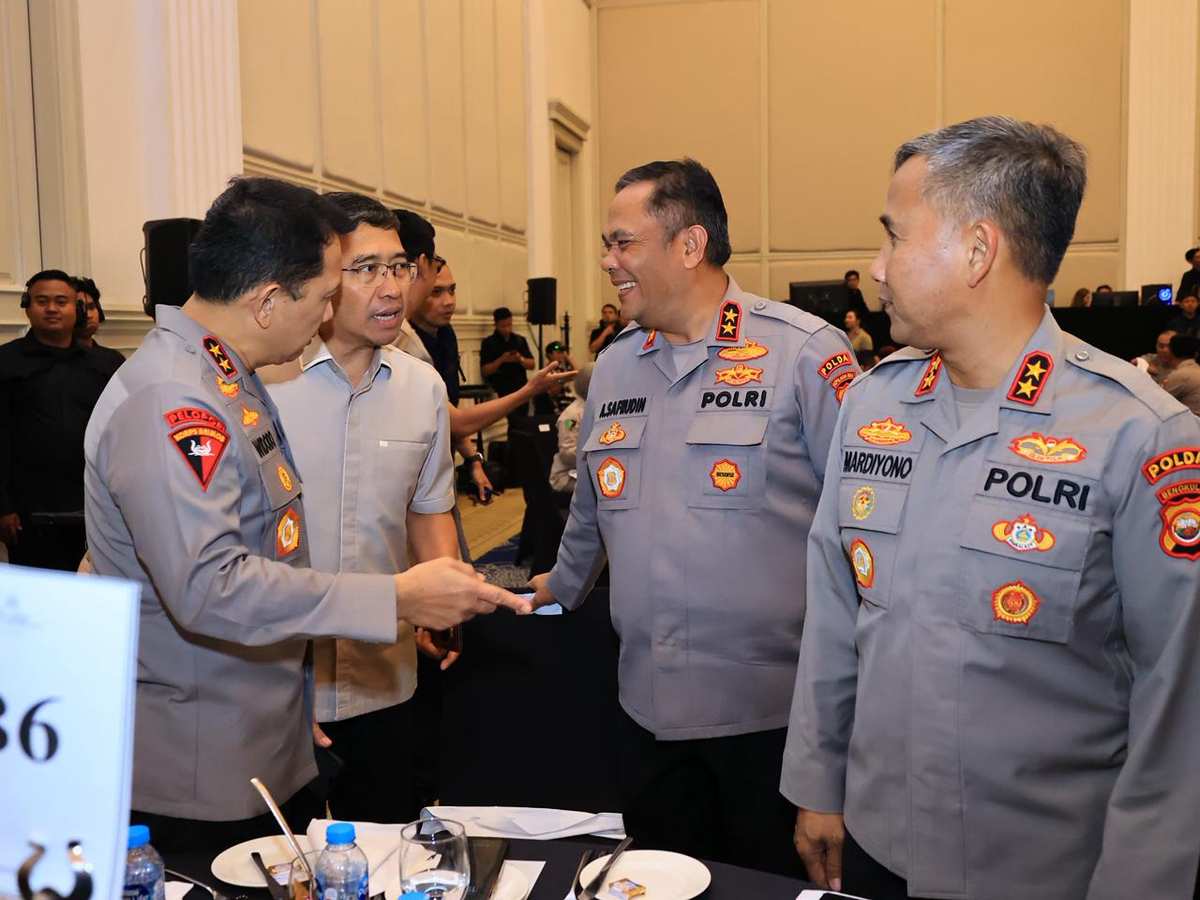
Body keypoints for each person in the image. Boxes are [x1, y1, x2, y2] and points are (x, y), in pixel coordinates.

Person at [782, 116, 1200, 900]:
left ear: (977, 251)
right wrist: (818, 783)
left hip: (1045, 873)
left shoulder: (1140, 435)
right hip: (877, 843)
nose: (876, 267)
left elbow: (1180, 710)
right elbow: (836, 612)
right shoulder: (875, 402)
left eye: (895, 238)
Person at [84, 177, 529, 851]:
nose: (326, 317)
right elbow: (211, 587)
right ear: (269, 301)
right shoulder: (176, 403)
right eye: (325, 297)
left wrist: (288, 701)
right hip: (201, 766)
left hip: (257, 731)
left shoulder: (226, 378)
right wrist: (399, 596)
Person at [529, 158, 858, 876]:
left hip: (771, 725)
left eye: (622, 243)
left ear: (689, 245)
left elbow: (866, 544)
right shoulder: (612, 367)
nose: (605, 260)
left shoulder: (803, 354)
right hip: (643, 713)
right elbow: (591, 511)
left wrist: (838, 746)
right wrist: (548, 590)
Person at [269, 191, 460, 823]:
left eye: (400, 267)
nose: (391, 289)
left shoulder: (421, 387)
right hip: (280, 691)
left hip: (386, 679)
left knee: (383, 859)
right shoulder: (262, 384)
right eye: (366, 269)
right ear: (318, 276)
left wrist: (446, 598)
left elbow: (427, 507)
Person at [0, 269, 119, 570]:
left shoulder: (106, 365)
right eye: (42, 301)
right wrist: (3, 508)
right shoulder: (5, 362)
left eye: (61, 301)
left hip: (96, 506)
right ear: (27, 306)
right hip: (29, 514)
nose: (51, 308)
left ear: (76, 309)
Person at [480, 307, 535, 411]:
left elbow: (532, 364)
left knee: (522, 419)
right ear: (495, 325)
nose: (507, 329)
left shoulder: (520, 340)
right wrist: (501, 360)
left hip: (520, 387)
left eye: (509, 325)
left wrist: (520, 359)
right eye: (503, 326)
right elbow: (485, 371)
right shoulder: (489, 343)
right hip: (501, 389)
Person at [549, 363, 592, 494]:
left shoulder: (598, 408)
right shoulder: (571, 416)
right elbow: (567, 453)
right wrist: (596, 458)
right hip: (567, 475)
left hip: (590, 472)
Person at [74, 276, 127, 373]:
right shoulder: (58, 362)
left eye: (91, 307)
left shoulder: (113, 359)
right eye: (81, 310)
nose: (88, 315)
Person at [1161, 333, 1200, 414]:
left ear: (1170, 351)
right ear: (1195, 354)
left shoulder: (1181, 375)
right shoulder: (1195, 369)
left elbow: (1158, 402)